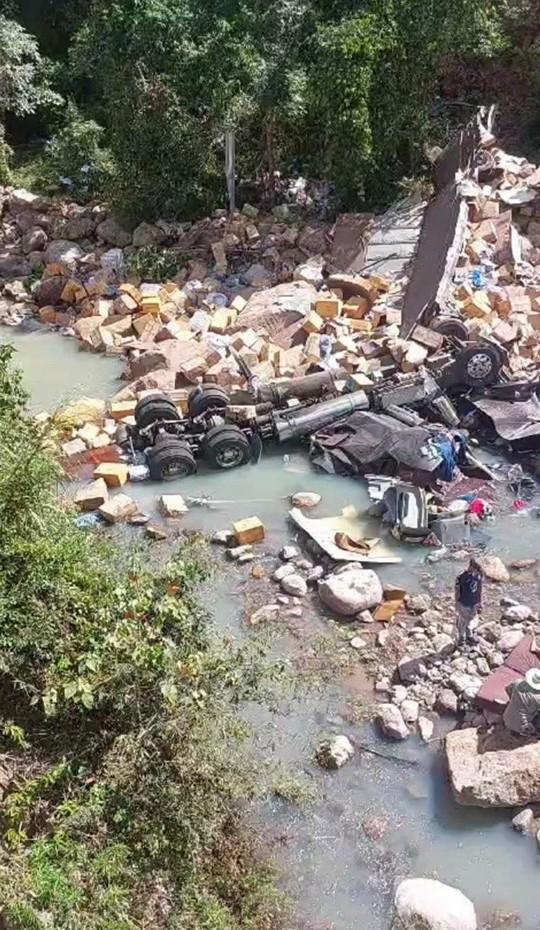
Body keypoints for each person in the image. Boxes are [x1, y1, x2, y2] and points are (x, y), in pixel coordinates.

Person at [503, 669, 540, 737]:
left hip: (506, 718)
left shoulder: (518, 682)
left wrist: (516, 700)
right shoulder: (538, 697)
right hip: (522, 726)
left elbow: (508, 689)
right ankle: (530, 733)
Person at [454, 559, 483, 645]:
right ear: (471, 566)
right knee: (463, 620)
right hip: (463, 602)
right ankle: (461, 638)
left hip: (474, 603)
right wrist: (457, 603)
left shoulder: (478, 575)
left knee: (471, 618)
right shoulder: (462, 577)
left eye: (478, 569)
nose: (477, 571)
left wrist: (479, 602)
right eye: (476, 568)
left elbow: (479, 589)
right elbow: (457, 591)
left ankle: (469, 635)